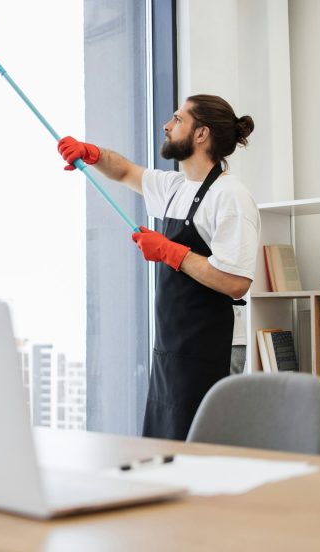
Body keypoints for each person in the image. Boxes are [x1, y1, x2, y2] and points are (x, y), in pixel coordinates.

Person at [58, 95, 260, 441]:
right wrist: (92, 154)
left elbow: (236, 282)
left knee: (203, 451)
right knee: (167, 446)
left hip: (212, 350)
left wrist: (171, 252)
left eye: (178, 119)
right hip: (171, 350)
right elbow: (123, 171)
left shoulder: (230, 196)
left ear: (201, 134)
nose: (167, 126)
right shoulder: (176, 187)